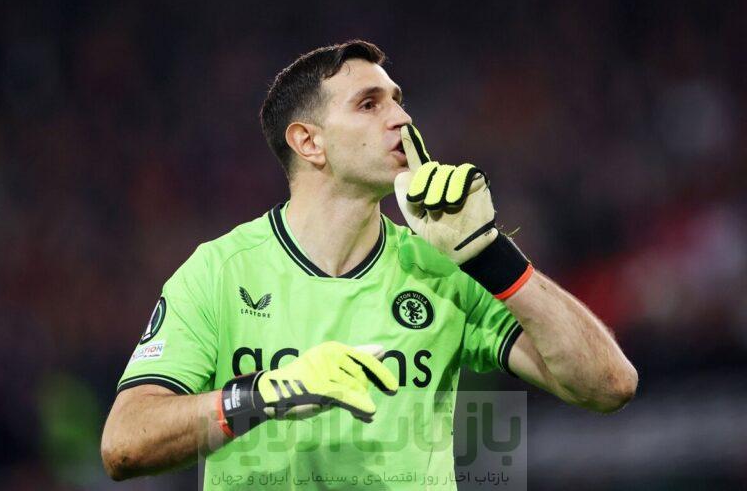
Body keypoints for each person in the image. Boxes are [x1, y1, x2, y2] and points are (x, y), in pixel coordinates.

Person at [101, 40, 637, 489]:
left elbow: (609, 385)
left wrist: (490, 252)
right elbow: (124, 445)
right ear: (308, 141)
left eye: (398, 101)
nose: (402, 118)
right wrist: (265, 395)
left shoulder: (444, 271)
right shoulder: (220, 272)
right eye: (368, 104)